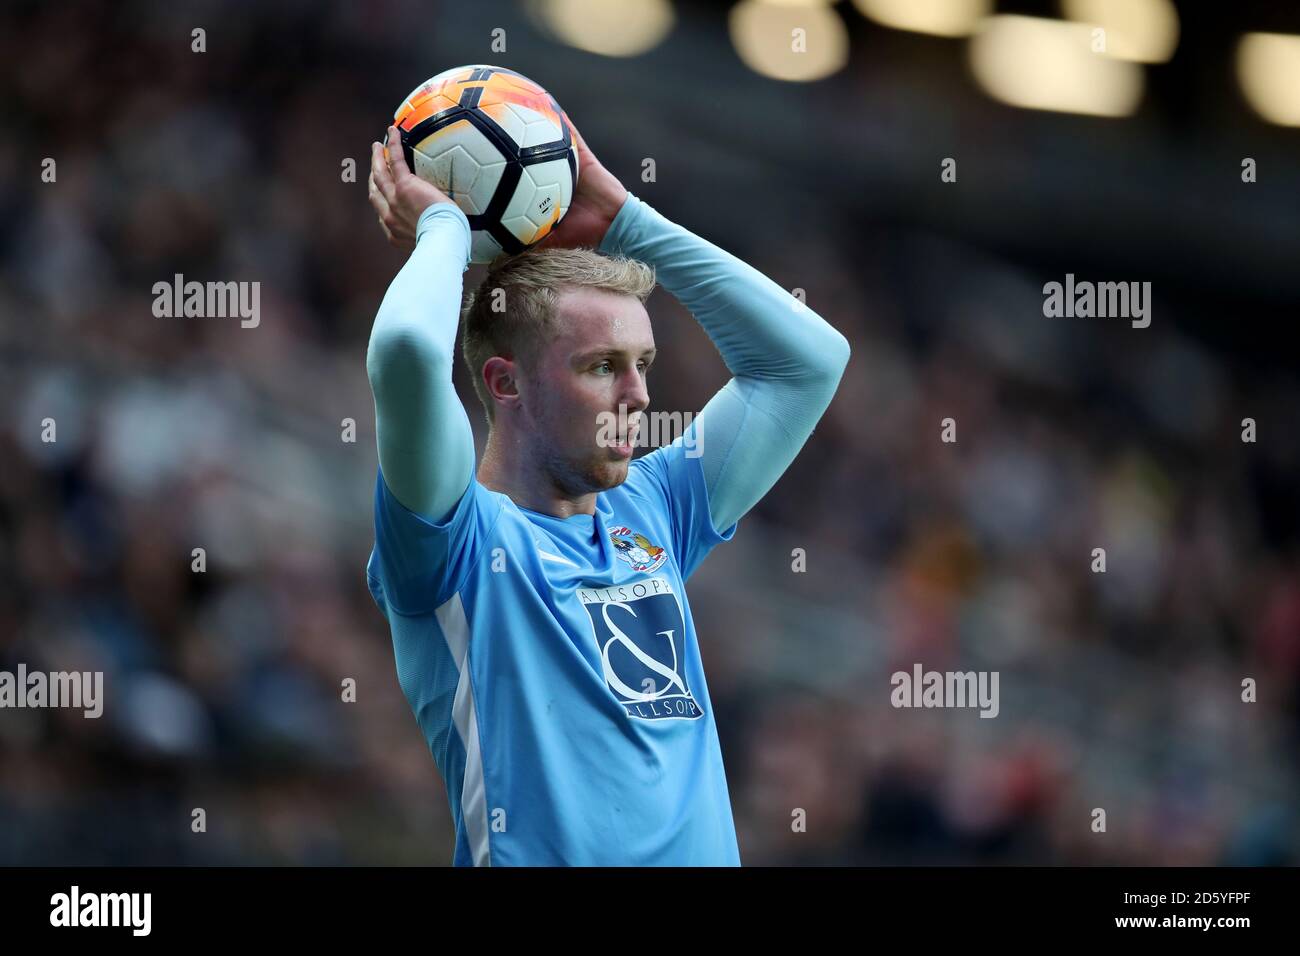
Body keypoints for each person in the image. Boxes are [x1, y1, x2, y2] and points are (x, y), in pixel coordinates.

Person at [364, 120, 849, 865]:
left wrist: (630, 222)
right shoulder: (454, 544)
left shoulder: (653, 509)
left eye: (644, 364)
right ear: (507, 382)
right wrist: (442, 228)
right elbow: (405, 350)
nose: (640, 396)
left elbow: (808, 361)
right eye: (603, 367)